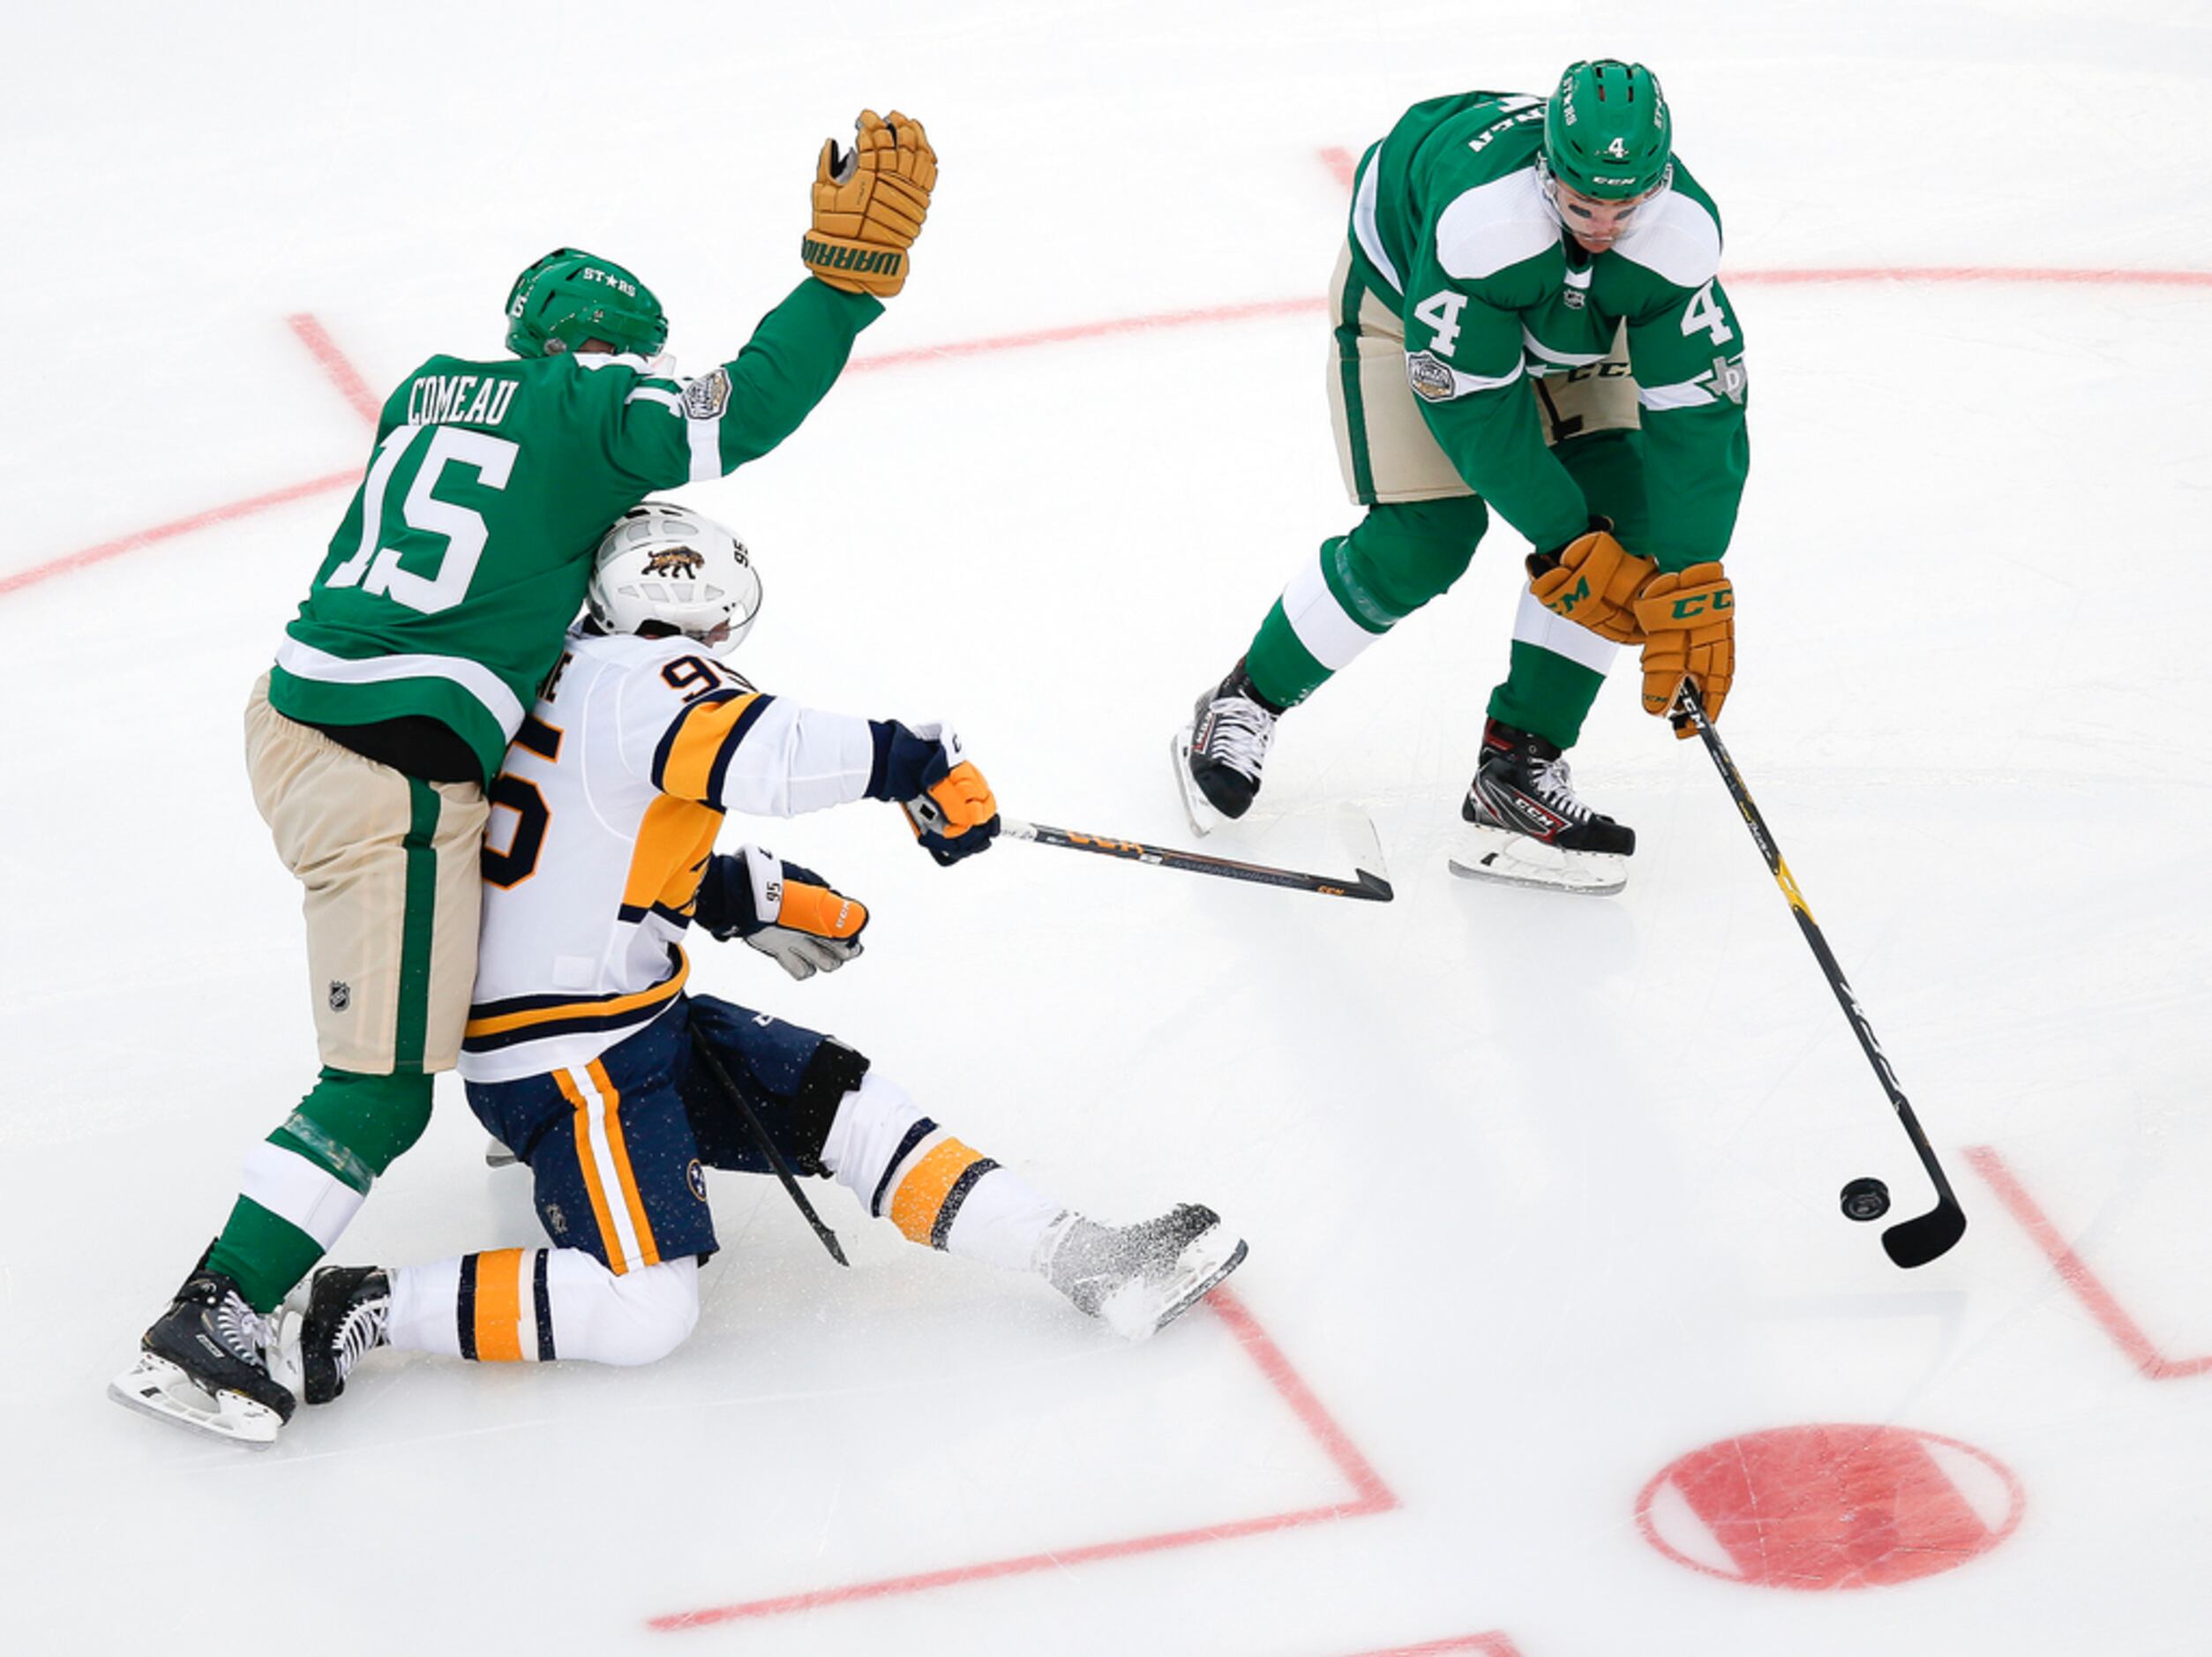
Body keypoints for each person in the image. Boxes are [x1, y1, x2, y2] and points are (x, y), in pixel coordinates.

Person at [110, 110, 943, 1446]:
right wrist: (842, 287)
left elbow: (490, 581)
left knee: (515, 859)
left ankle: (523, 1113)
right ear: (612, 354)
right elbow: (741, 407)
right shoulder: (592, 406)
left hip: (295, 708)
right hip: (386, 770)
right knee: (378, 1084)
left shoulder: (427, 390)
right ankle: (211, 1315)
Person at [268, 506, 1247, 1418]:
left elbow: (596, 845)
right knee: (644, 1311)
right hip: (569, 1066)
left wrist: (741, 895)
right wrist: (916, 764)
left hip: (611, 1020)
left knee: (842, 1098)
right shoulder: (651, 683)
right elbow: (766, 750)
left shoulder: (560, 667)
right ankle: (372, 1303)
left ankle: (1077, 1254)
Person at [1177, 61, 1747, 895]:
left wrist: (1695, 572)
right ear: (1547, 170)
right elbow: (1476, 416)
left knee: (1628, 524)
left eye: (1626, 208)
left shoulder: (1679, 234)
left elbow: (1700, 416)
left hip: (1564, 316)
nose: (1602, 227)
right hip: (1406, 289)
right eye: (1583, 203)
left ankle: (1515, 771)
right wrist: (1565, 542)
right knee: (1426, 539)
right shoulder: (1481, 225)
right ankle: (1242, 703)